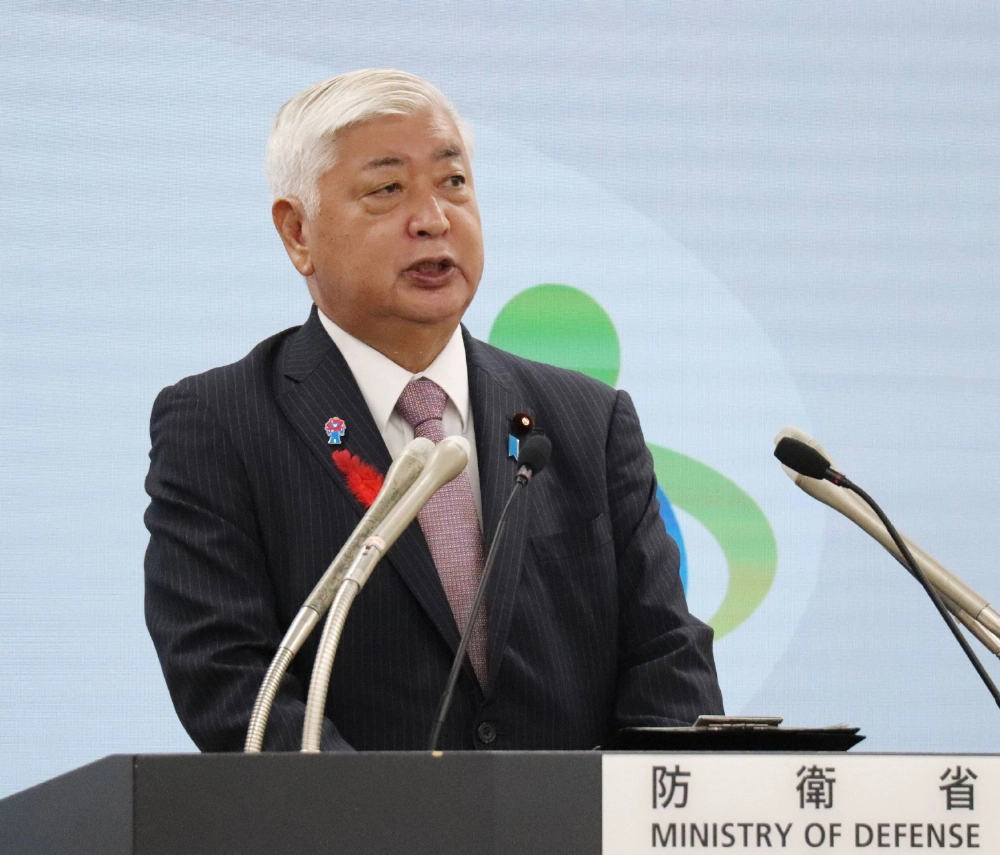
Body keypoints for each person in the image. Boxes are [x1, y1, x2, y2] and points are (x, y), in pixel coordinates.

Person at [144, 69, 723, 753]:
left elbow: (669, 660)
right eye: (388, 189)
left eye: (454, 183)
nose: (433, 218)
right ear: (297, 231)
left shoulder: (587, 423)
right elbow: (231, 678)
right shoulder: (223, 424)